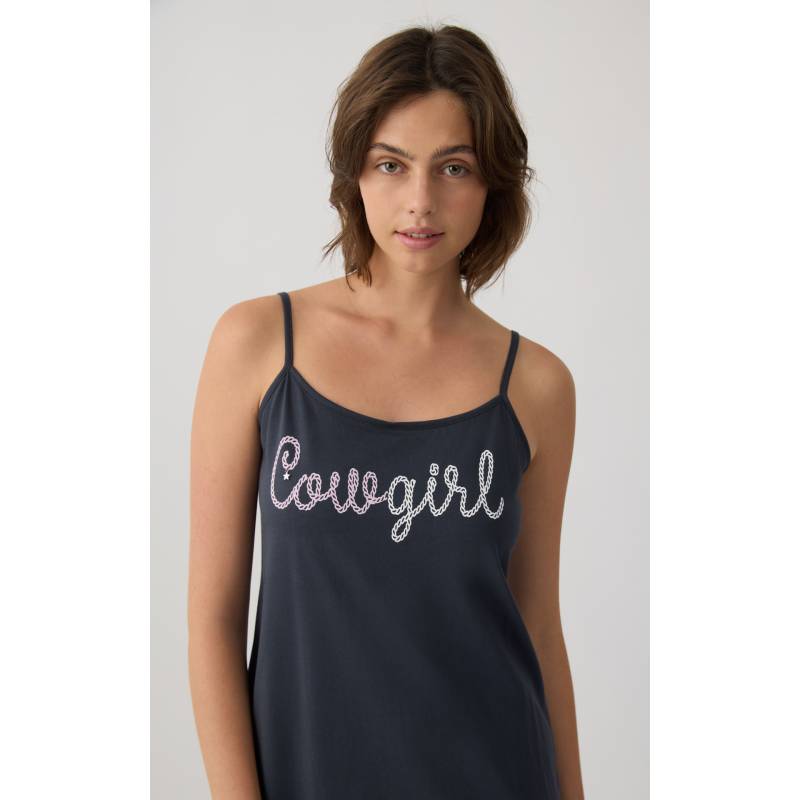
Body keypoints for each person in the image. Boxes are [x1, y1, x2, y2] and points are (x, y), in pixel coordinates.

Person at [189, 24, 583, 800]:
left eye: (454, 167)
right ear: (355, 174)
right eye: (391, 163)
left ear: (492, 183)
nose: (420, 201)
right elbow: (212, 620)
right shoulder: (258, 344)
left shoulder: (536, 385)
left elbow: (538, 625)